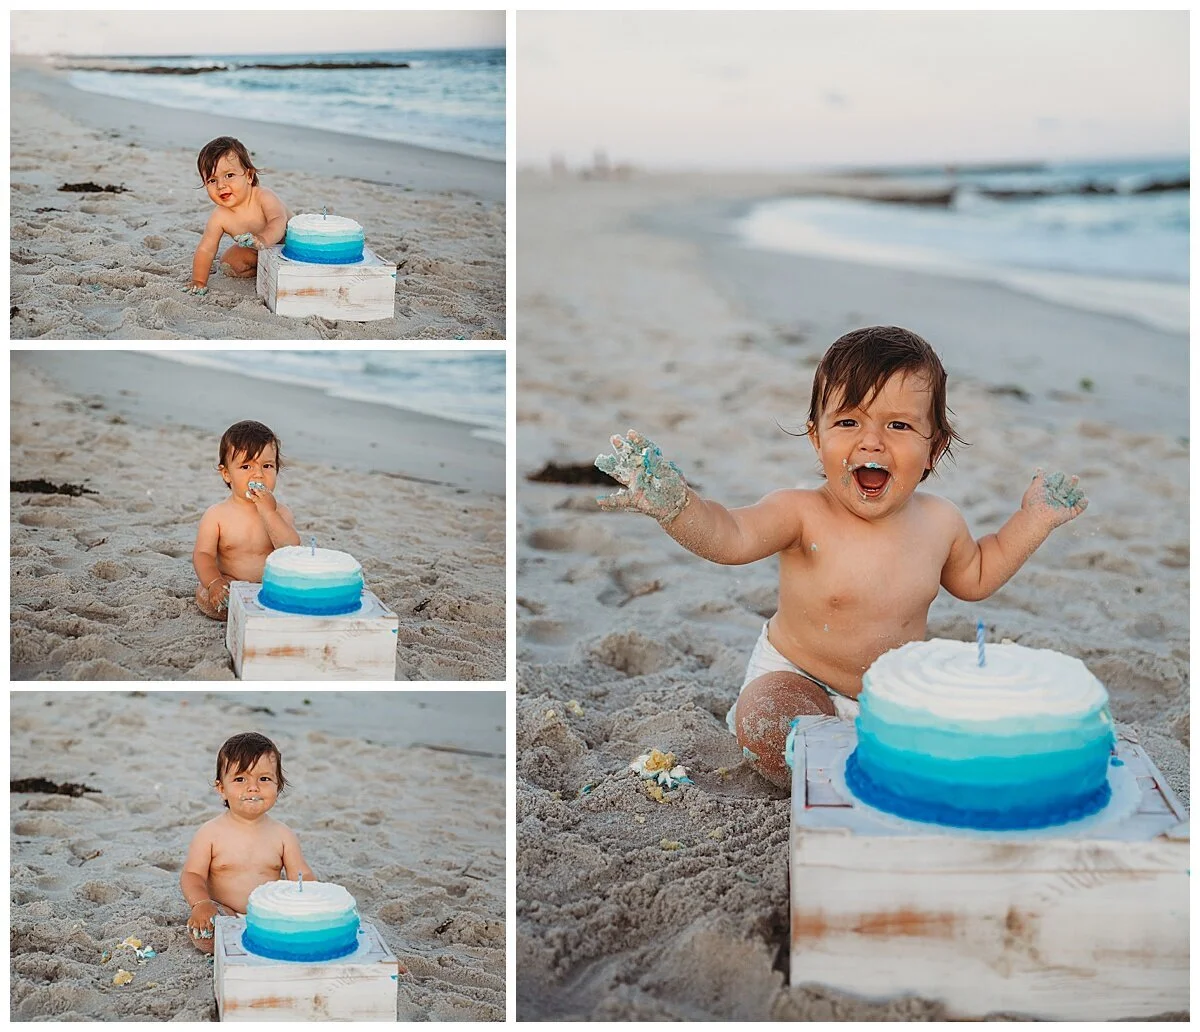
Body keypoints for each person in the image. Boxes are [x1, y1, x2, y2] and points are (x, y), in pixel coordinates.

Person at [595, 325, 1089, 789]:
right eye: (848, 421)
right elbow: (730, 536)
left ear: (933, 448)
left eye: (898, 425)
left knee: (973, 724)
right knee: (766, 718)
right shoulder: (801, 512)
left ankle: (877, 754)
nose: (871, 440)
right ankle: (837, 769)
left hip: (890, 695)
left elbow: (977, 575)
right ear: (817, 436)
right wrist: (678, 507)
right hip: (798, 678)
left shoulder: (941, 522)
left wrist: (1034, 520)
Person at [180, 732, 316, 954]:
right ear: (221, 788)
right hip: (225, 911)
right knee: (207, 937)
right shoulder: (210, 833)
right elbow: (192, 875)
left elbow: (301, 875)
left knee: (307, 930)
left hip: (269, 913)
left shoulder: (283, 834)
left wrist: (311, 900)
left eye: (264, 779)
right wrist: (201, 904)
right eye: (240, 779)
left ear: (278, 787)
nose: (253, 787)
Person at [192, 419, 300, 620]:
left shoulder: (281, 513)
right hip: (230, 582)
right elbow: (203, 554)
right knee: (207, 596)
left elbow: (291, 550)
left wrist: (268, 512)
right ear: (226, 474)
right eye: (246, 467)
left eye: (267, 465)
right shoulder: (217, 514)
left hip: (270, 586)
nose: (258, 475)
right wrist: (214, 582)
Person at [182, 136, 290, 296]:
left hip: (289, 243)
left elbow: (278, 221)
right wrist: (199, 280)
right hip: (258, 249)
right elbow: (206, 249)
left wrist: (263, 239)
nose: (221, 185)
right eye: (212, 180)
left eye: (229, 175)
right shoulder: (220, 216)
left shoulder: (263, 196)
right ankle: (263, 269)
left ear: (249, 176)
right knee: (230, 263)